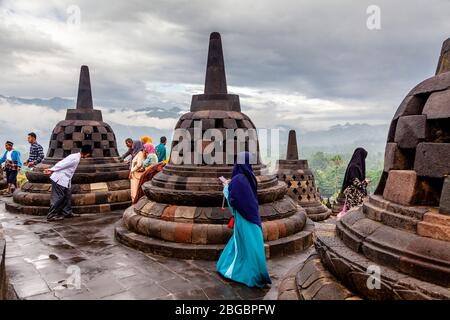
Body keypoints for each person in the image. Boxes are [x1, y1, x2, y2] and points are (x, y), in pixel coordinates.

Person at [216, 152, 271, 288]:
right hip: (253, 215)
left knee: (243, 242)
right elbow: (244, 193)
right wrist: (231, 184)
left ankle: (246, 274)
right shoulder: (250, 176)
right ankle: (257, 271)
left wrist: (226, 189)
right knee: (250, 243)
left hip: (243, 216)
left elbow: (233, 201)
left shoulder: (238, 179)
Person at [44, 145, 92, 221]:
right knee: (58, 197)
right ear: (87, 153)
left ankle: (67, 212)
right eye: (89, 154)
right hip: (60, 179)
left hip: (66, 180)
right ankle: (51, 215)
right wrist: (52, 170)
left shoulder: (76, 157)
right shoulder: (75, 158)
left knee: (67, 196)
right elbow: (63, 164)